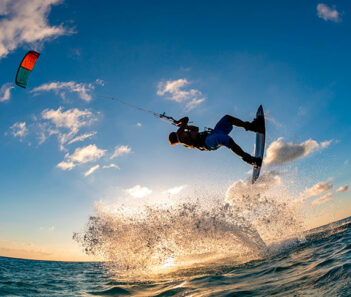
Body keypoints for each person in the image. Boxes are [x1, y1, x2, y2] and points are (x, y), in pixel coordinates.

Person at [168, 114, 264, 166]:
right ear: (175, 135)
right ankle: (251, 160)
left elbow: (196, 129)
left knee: (227, 118)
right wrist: (178, 123)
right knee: (228, 141)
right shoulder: (180, 136)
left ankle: (253, 127)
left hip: (212, 134)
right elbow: (186, 118)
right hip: (208, 141)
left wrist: (186, 126)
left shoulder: (183, 136)